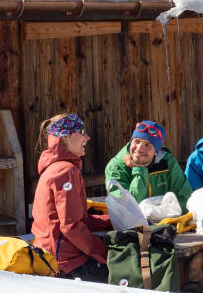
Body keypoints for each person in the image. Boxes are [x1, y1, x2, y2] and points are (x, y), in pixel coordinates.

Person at [32, 113, 111, 282]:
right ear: (65, 137)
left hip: (52, 258)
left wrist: (111, 220)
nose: (87, 137)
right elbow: (71, 227)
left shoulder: (56, 168)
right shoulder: (65, 171)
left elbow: (78, 220)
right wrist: (107, 255)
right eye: (82, 132)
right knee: (130, 272)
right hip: (66, 265)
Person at [105, 120, 193, 212]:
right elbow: (128, 207)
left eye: (147, 145)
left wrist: (161, 212)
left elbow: (186, 198)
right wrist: (139, 169)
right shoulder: (115, 167)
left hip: (166, 217)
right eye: (136, 141)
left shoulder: (167, 162)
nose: (139, 149)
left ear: (156, 152)